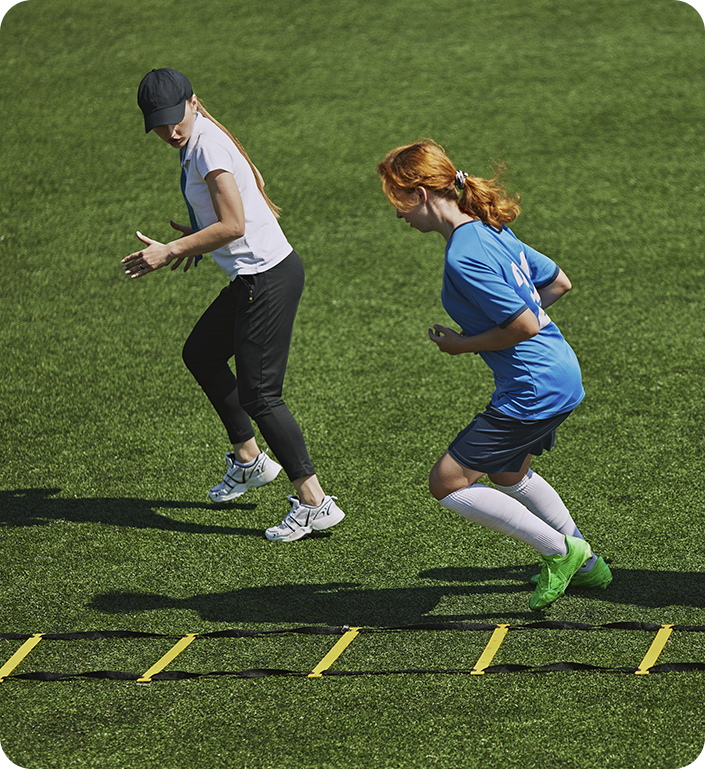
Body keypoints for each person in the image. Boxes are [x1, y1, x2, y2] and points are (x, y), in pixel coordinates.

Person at [376, 139, 611, 610]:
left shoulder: (463, 255)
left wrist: (463, 344)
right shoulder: (490, 231)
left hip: (533, 388)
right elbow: (557, 283)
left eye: (398, 201)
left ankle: (563, 553)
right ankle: (588, 567)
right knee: (508, 471)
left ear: (421, 194)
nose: (398, 215)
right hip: (559, 372)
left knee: (447, 482)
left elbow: (521, 325)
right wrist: (501, 325)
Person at [122, 68, 344, 542]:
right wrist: (200, 237)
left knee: (260, 395)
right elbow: (252, 185)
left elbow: (235, 224)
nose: (169, 131)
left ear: (193, 102)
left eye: (174, 119)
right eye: (158, 125)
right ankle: (249, 460)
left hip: (265, 279)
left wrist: (175, 250)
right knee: (200, 352)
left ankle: (315, 503)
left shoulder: (207, 145)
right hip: (256, 277)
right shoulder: (205, 135)